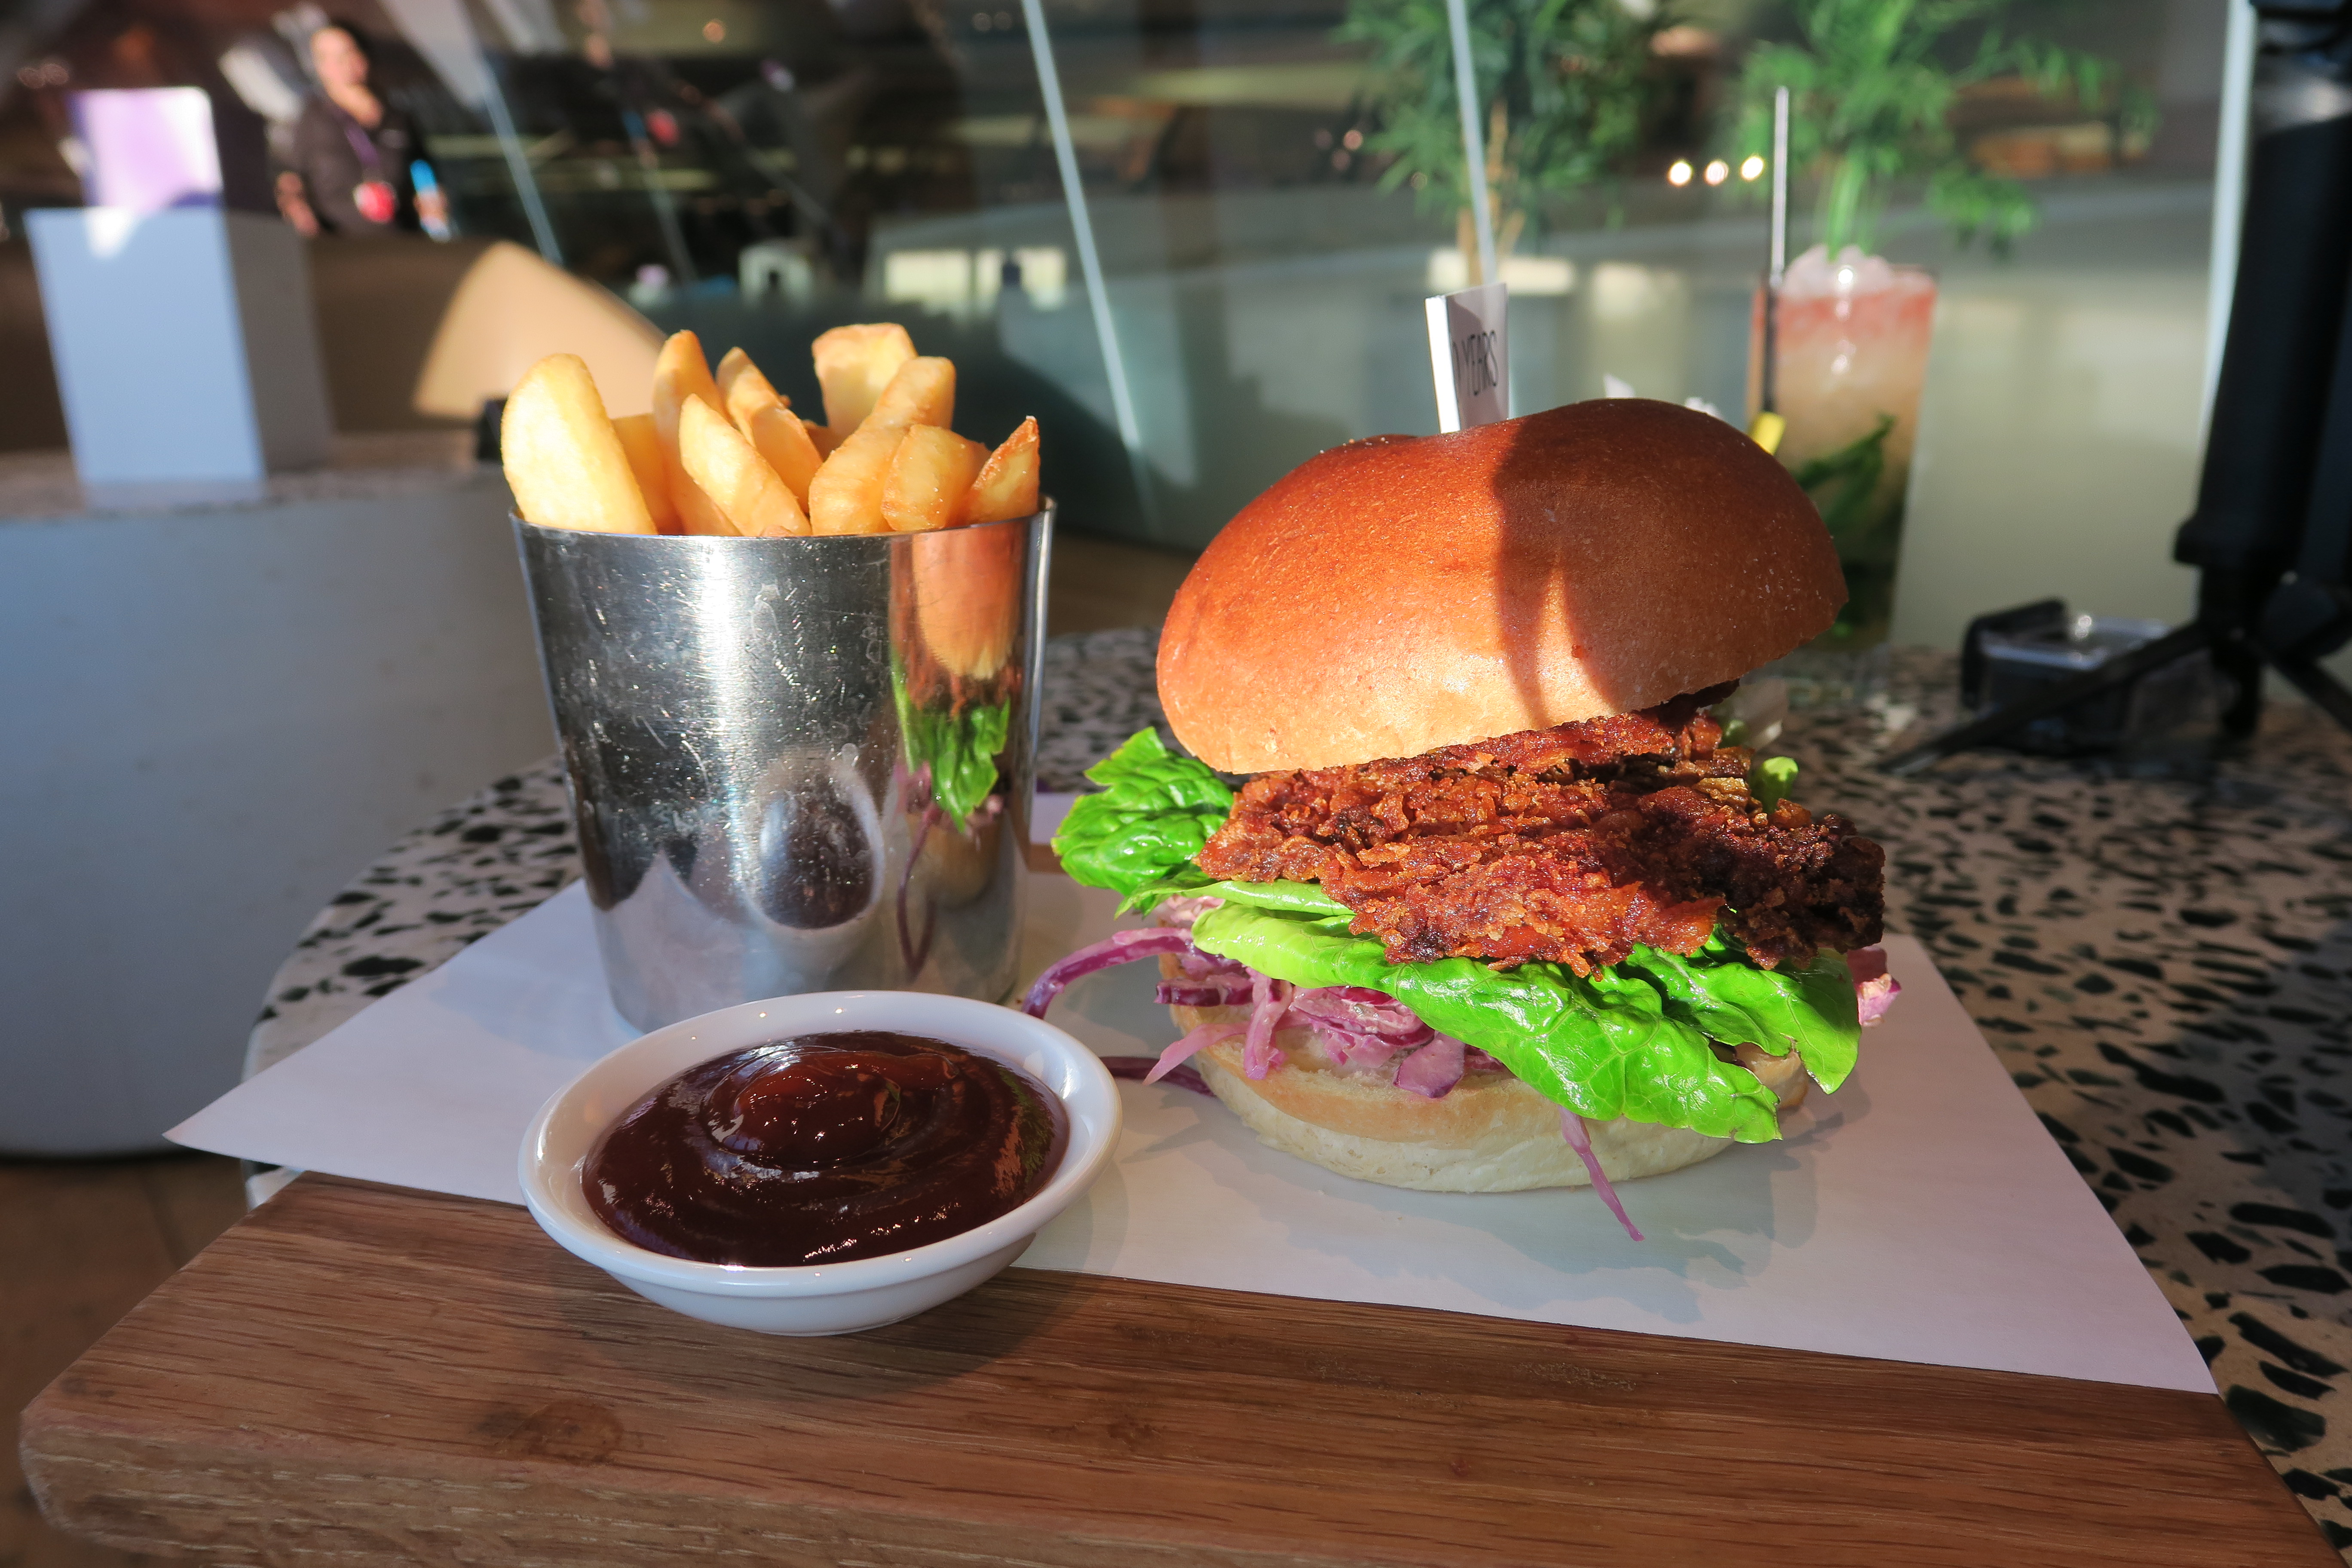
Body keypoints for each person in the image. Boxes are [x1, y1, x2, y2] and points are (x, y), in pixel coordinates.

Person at [274, 23, 446, 237]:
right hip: (343, 246)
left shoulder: (397, 117)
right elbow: (291, 176)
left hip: (404, 241)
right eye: (326, 57)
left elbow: (424, 169)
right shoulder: (310, 118)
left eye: (347, 53)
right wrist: (295, 207)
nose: (339, 65)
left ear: (364, 56)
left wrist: (432, 198)